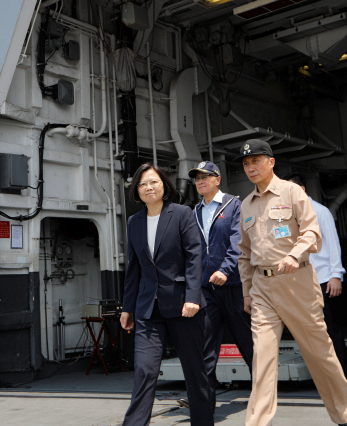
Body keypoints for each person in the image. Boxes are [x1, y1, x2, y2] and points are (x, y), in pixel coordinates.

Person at [236, 139, 347, 426]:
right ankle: (258, 422)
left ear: (271, 162)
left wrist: (294, 255)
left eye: (256, 161)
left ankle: (344, 414)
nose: (251, 167)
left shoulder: (292, 192)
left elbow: (312, 232)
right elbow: (244, 254)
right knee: (262, 360)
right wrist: (247, 292)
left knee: (320, 354)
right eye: (246, 164)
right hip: (262, 290)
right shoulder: (246, 206)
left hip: (296, 283)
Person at [120, 163, 213, 426]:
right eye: (142, 184)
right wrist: (128, 307)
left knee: (196, 372)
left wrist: (193, 297)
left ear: (164, 186)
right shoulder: (134, 222)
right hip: (148, 310)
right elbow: (135, 266)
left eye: (154, 182)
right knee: (144, 371)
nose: (148, 187)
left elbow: (195, 258)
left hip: (185, 306)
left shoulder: (182, 213)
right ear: (136, 191)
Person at [190, 161, 252, 405]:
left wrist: (225, 270)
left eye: (205, 176)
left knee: (247, 342)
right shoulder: (193, 212)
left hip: (234, 286)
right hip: (207, 289)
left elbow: (239, 242)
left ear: (217, 179)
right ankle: (204, 402)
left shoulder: (234, 205)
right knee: (205, 345)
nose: (200, 181)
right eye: (197, 178)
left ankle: (263, 396)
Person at [284, 172, 347, 374]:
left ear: (301, 189)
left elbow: (333, 244)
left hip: (325, 280)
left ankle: (342, 375)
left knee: (332, 331)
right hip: (302, 283)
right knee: (312, 333)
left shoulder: (320, 211)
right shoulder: (289, 217)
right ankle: (325, 377)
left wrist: (336, 275)